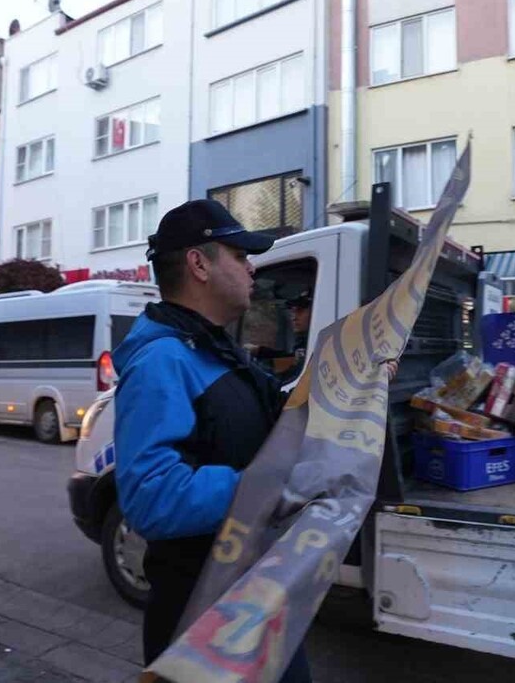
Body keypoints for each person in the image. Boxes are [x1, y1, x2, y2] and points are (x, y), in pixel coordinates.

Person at [110, 199, 313, 681]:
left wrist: (355, 378)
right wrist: (261, 486)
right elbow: (149, 498)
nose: (251, 268)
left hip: (253, 599)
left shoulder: (214, 350)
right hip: (203, 623)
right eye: (239, 255)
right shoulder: (162, 361)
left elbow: (274, 413)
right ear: (199, 263)